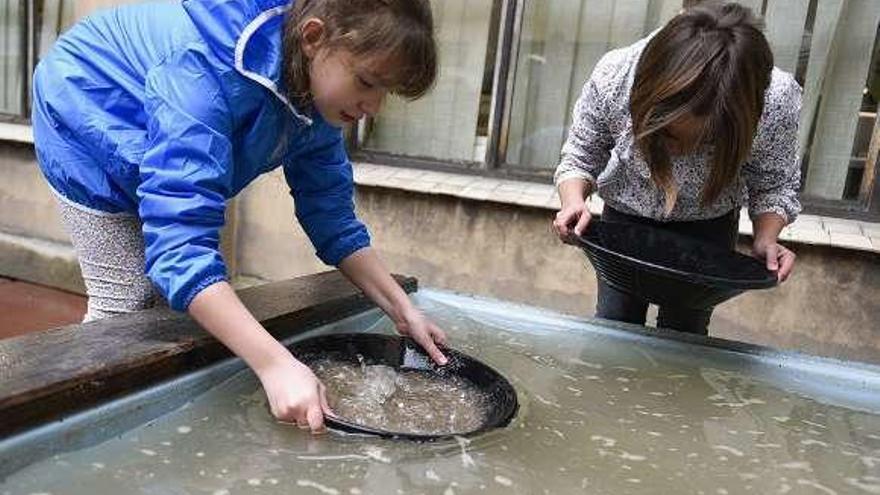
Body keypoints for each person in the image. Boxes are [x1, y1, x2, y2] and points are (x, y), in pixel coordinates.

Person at [31, 0, 447, 433]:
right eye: (367, 81)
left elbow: (334, 220)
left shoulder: (318, 99)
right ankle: (80, 443)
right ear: (312, 37)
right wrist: (275, 365)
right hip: (84, 121)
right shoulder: (204, 71)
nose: (374, 106)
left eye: (387, 92)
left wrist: (403, 310)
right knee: (127, 303)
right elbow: (181, 248)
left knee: (182, 300)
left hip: (156, 134)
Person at [551, 0, 800, 335]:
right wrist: (573, 202)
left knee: (687, 331)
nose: (681, 152)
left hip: (709, 226)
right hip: (626, 218)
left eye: (704, 141)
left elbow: (773, 181)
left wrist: (766, 238)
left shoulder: (774, 101)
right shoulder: (616, 75)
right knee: (615, 323)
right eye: (667, 135)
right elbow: (582, 153)